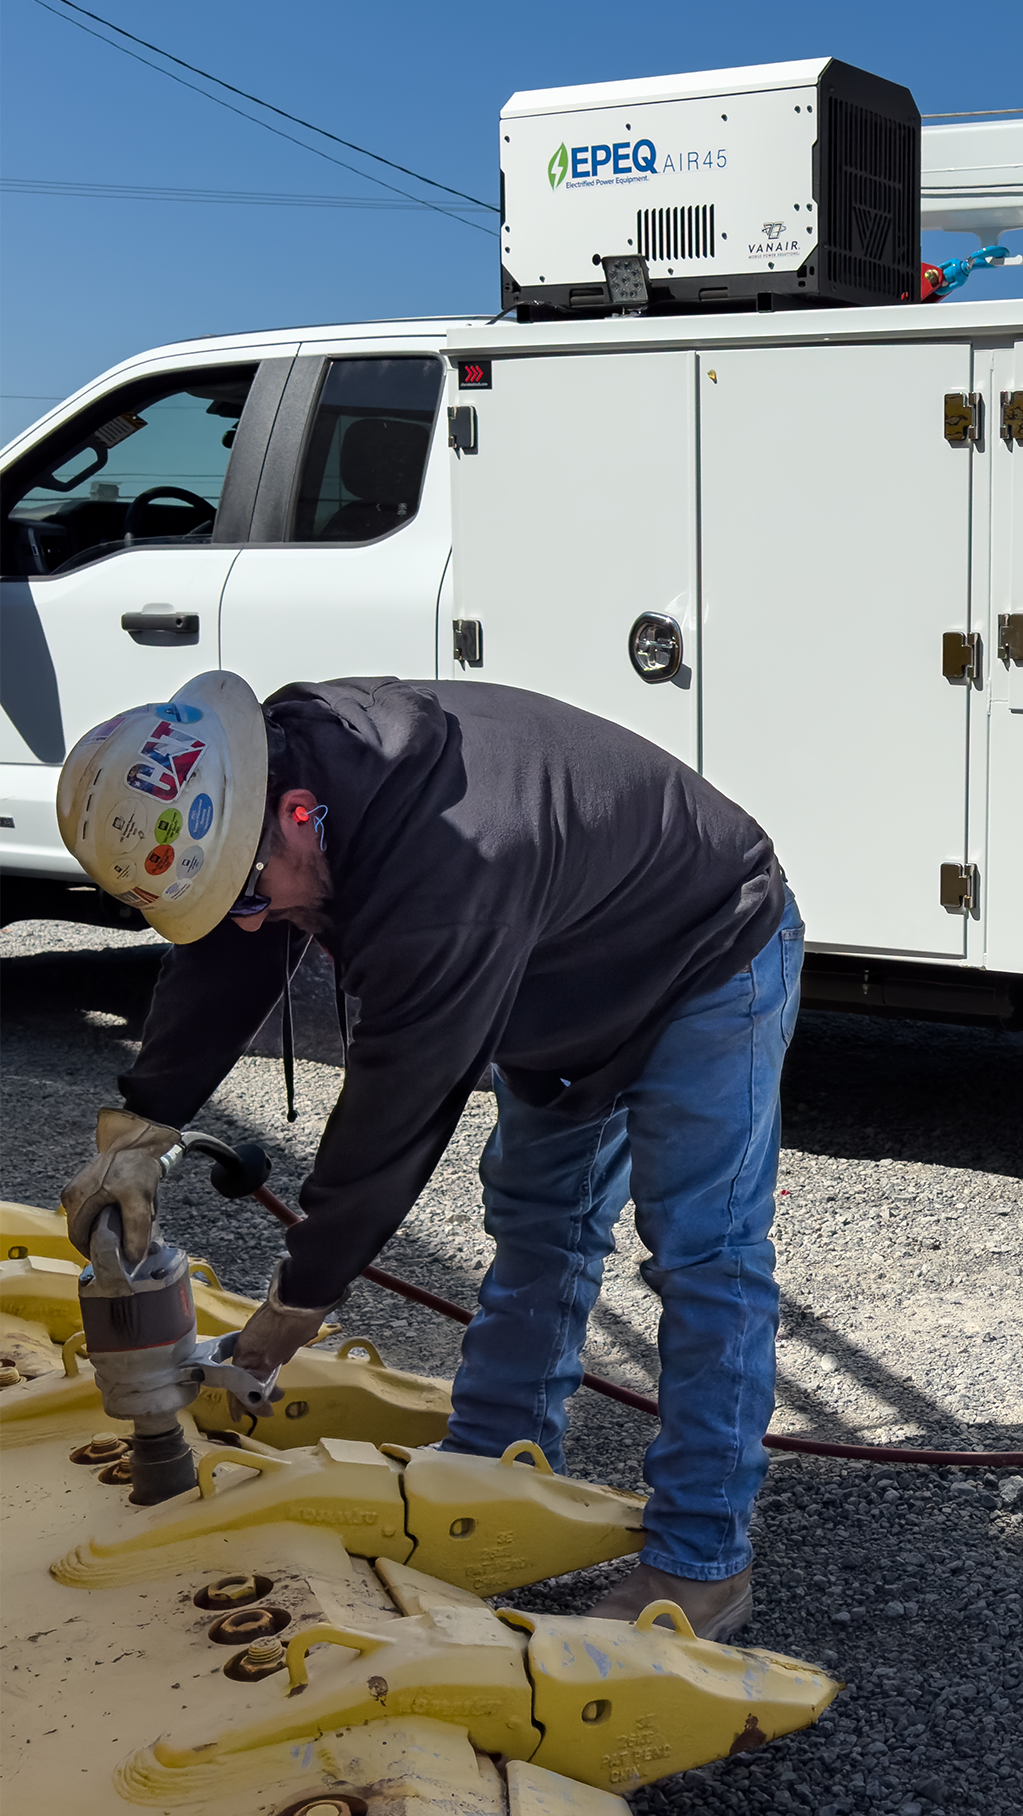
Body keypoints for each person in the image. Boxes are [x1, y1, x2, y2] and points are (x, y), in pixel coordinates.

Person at [56, 670, 802, 1639]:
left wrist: (296, 1304)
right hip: (558, 970)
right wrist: (141, 1125)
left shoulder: (443, 871)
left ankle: (701, 1562)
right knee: (539, 1227)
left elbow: (395, 1108)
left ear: (293, 815)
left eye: (247, 894)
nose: (250, 919)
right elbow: (230, 947)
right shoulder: (281, 780)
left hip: (707, 952)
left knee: (704, 1257)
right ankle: (490, 1477)